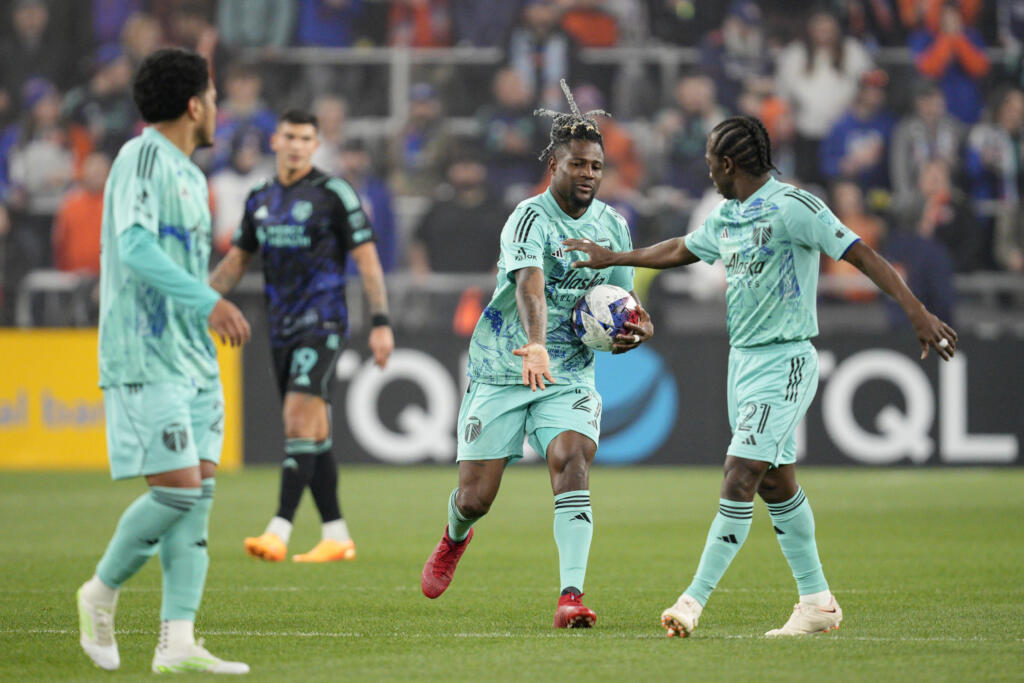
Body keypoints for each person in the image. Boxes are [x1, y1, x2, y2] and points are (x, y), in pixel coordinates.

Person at [564, 114, 958, 638]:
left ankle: (692, 601)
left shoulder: (796, 207)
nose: (708, 175)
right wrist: (615, 258)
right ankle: (817, 602)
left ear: (728, 163)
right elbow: (682, 247)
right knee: (775, 482)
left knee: (739, 473)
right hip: (743, 363)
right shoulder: (728, 216)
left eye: (710, 165)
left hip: (786, 358)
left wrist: (916, 311)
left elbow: (859, 252)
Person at [419, 80, 652, 628]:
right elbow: (529, 285)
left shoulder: (613, 226)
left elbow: (624, 301)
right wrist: (537, 345)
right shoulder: (528, 218)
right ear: (554, 164)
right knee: (476, 497)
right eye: (578, 164)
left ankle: (570, 595)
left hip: (568, 371)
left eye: (596, 166)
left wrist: (636, 328)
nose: (589, 174)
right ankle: (455, 536)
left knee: (571, 460)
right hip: (503, 366)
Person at [76, 47, 251, 674]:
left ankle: (177, 642)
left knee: (197, 497)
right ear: (194, 104)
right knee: (176, 492)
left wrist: (210, 295)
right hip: (145, 352)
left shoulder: (193, 176)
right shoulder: (141, 156)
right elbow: (135, 247)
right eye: (213, 97)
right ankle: (100, 592)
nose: (218, 110)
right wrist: (210, 300)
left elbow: (177, 267)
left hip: (192, 356)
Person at [208, 109, 394, 564]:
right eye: (289, 136)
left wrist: (381, 322)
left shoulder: (333, 193)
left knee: (297, 417)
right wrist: (197, 302)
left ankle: (279, 528)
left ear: (315, 145)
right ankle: (336, 534)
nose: (296, 144)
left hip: (324, 321)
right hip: (281, 326)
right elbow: (237, 260)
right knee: (314, 430)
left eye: (305, 138)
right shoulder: (260, 197)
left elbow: (367, 259)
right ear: (276, 141)